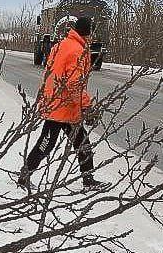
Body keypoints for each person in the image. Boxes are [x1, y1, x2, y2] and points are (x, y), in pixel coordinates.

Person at [18, 16, 109, 192]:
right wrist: (86, 106)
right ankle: (25, 176)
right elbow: (74, 83)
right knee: (50, 143)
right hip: (64, 106)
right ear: (87, 33)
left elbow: (49, 73)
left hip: (56, 102)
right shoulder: (77, 51)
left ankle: (87, 179)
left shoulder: (60, 45)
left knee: (78, 142)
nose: (92, 37)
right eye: (91, 33)